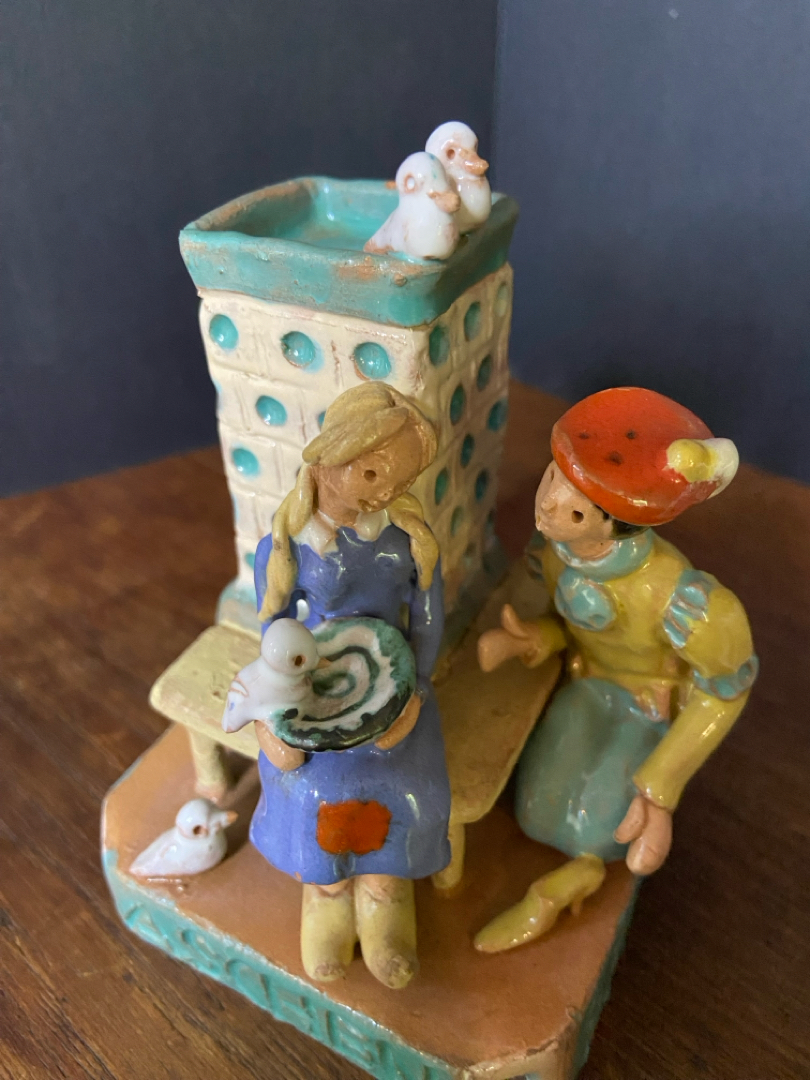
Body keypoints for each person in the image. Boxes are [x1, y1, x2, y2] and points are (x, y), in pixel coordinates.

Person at [475, 387, 758, 952]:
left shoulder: (683, 600)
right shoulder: (554, 554)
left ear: (615, 526)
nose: (547, 509)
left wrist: (661, 783)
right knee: (534, 808)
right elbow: (576, 626)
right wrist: (538, 639)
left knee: (596, 827)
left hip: (651, 705)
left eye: (576, 511)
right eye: (551, 480)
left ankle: (573, 881)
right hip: (587, 682)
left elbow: (726, 690)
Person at [251, 382, 451, 988]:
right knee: (315, 787)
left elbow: (427, 620)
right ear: (327, 461)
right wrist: (276, 710)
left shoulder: (406, 543)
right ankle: (328, 895)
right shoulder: (287, 549)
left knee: (405, 784)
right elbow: (273, 636)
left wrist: (416, 693)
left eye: (398, 480)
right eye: (371, 474)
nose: (385, 492)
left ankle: (386, 897)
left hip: (397, 693)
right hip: (312, 694)